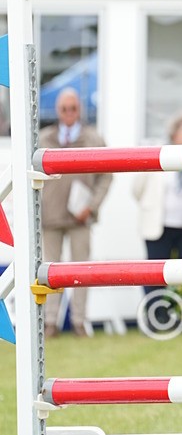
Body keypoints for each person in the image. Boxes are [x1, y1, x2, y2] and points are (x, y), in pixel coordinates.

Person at [39, 88, 112, 337]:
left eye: (73, 108)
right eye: (64, 109)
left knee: (82, 271)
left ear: (79, 110)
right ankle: (50, 323)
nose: (69, 113)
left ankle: (80, 321)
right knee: (49, 272)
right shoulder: (42, 138)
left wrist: (91, 206)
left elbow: (106, 176)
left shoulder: (93, 138)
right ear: (57, 111)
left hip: (81, 217)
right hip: (50, 216)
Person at [131, 112, 182, 334]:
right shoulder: (158, 153)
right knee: (154, 274)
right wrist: (149, 208)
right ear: (175, 133)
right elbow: (137, 189)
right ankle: (157, 318)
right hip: (159, 226)